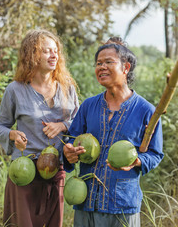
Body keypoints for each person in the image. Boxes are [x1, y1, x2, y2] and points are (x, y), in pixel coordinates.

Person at [63, 37, 164, 227]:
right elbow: (71, 142)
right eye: (98, 63)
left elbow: (156, 154)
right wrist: (68, 153)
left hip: (122, 205)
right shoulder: (88, 106)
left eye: (109, 62)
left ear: (126, 67)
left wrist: (138, 161)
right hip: (86, 203)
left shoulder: (147, 111)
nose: (101, 67)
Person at [0, 29, 79, 227]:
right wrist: (12, 134)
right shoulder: (15, 90)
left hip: (56, 170)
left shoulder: (67, 88)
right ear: (32, 55)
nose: (54, 55)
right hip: (24, 172)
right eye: (47, 51)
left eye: (55, 50)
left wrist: (62, 125)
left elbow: (79, 123)